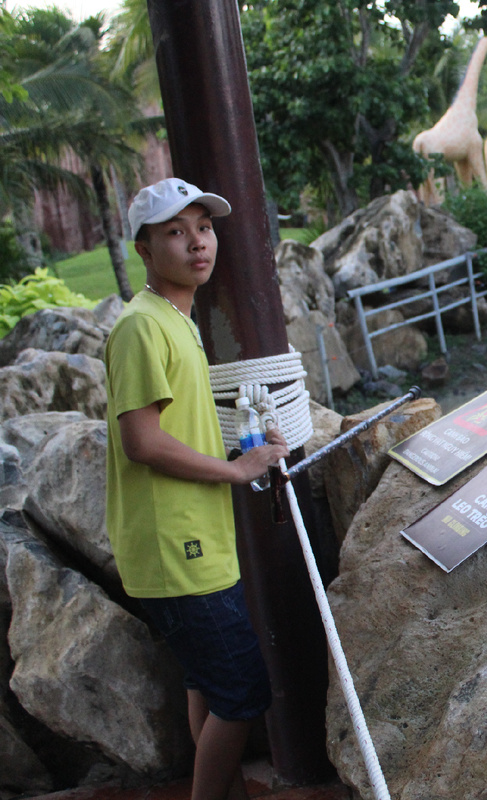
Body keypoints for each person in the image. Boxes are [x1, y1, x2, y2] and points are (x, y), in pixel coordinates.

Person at [104, 177, 289, 800]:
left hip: (194, 541)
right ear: (145, 250)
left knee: (204, 684)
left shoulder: (175, 319)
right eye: (175, 233)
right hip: (177, 548)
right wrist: (239, 471)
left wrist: (247, 449)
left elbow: (179, 427)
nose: (196, 243)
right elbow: (143, 441)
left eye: (203, 228)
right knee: (243, 696)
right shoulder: (141, 327)